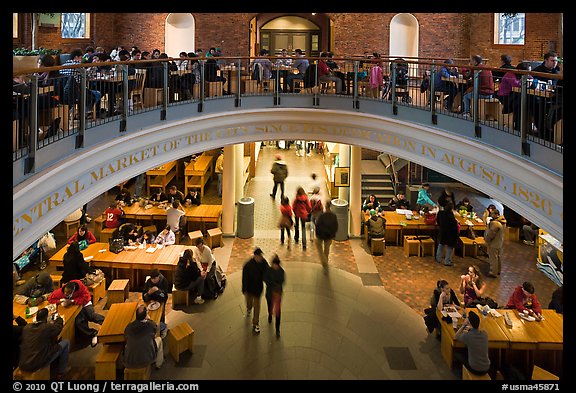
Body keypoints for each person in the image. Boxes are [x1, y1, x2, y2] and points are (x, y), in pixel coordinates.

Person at [48, 280, 105, 347]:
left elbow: (86, 298)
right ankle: (93, 333)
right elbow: (50, 299)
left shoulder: (81, 287)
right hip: (76, 308)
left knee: (91, 315)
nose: (66, 294)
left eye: (68, 293)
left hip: (85, 304)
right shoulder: (61, 291)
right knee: (79, 322)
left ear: (73, 291)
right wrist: (60, 301)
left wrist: (72, 301)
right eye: (65, 292)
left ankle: (106, 322)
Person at [18, 307, 71, 377]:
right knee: (66, 342)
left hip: (23, 363)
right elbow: (58, 327)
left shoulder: (27, 328)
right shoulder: (46, 328)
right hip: (37, 364)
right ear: (46, 317)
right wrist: (59, 318)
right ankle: (62, 370)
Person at [123, 304, 164, 369]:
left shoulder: (129, 327)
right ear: (145, 316)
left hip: (129, 361)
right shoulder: (150, 325)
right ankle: (158, 364)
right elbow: (155, 330)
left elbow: (125, 336)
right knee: (159, 339)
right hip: (146, 360)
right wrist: (149, 320)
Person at [454, 311, 491, 378]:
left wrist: (463, 325)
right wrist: (471, 328)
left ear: (469, 323)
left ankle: (461, 374)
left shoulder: (468, 336)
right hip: (487, 367)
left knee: (457, 354)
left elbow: (456, 336)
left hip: (475, 369)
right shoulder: (485, 334)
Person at [242, 248, 269, 334]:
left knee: (257, 306)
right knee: (249, 303)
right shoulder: (248, 265)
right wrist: (244, 289)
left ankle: (255, 323)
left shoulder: (263, 263)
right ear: (255, 256)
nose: (261, 258)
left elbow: (267, 273)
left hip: (258, 290)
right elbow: (244, 278)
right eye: (259, 256)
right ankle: (249, 308)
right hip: (249, 289)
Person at [264, 254, 285, 338]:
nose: (274, 266)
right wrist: (273, 284)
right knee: (270, 306)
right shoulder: (268, 270)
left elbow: (282, 281)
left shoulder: (281, 272)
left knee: (278, 312)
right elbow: (265, 279)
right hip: (270, 294)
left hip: (277, 295)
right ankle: (269, 314)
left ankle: (277, 329)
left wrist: (274, 286)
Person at [314, 200, 338, 270]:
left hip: (321, 235)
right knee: (327, 249)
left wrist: (317, 234)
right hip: (329, 235)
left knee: (319, 246)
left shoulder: (322, 216)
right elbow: (335, 226)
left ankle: (323, 260)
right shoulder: (333, 216)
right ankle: (326, 261)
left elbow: (318, 225)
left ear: (325, 206)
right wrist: (333, 234)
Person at [484, 208, 506, 277]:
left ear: (496, 214)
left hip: (493, 243)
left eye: (492, 214)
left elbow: (491, 234)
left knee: (493, 258)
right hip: (499, 243)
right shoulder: (503, 222)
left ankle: (493, 272)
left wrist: (486, 240)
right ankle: (498, 271)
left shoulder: (495, 224)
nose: (491, 215)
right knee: (497, 257)